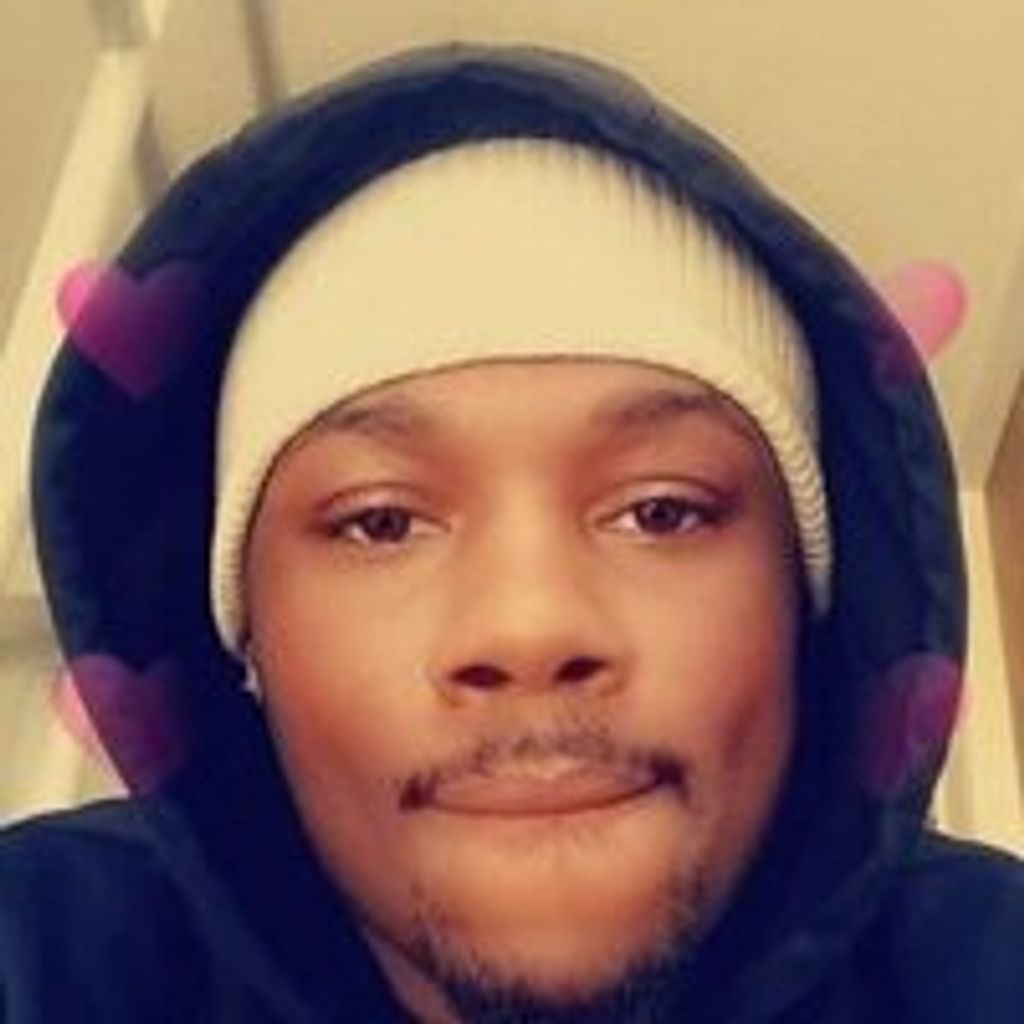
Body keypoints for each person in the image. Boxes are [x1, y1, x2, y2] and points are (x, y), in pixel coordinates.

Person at [1, 40, 1022, 1024]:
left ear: (804, 609)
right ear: (247, 641)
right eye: (381, 522)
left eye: (661, 511)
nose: (528, 628)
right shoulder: (49, 942)